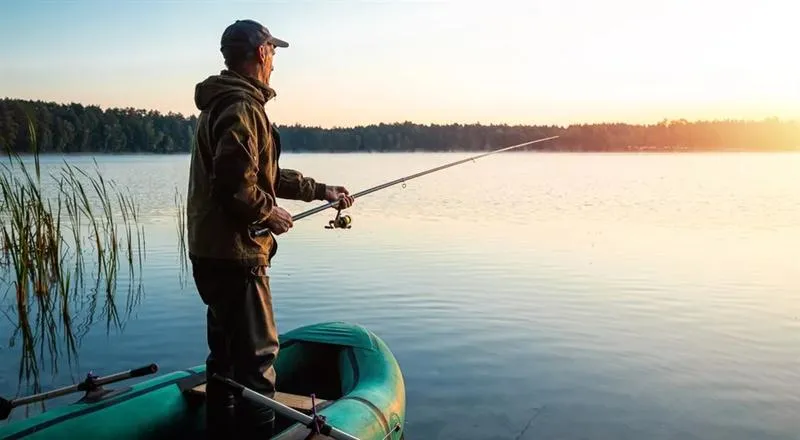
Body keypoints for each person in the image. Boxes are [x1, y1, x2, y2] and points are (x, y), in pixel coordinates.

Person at [186, 18, 354, 439]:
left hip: (212, 252)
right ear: (261, 53)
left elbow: (265, 174)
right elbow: (233, 183)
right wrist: (267, 214)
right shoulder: (242, 107)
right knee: (258, 364)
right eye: (273, 53)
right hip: (238, 254)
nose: (275, 62)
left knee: (223, 361)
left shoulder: (223, 103)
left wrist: (320, 190)